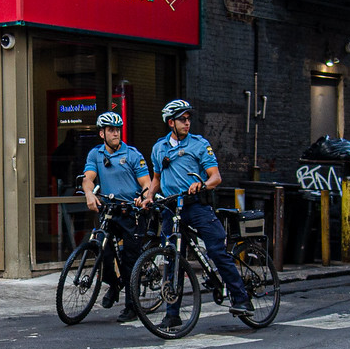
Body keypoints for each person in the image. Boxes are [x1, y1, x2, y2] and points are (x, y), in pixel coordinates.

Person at [143, 99, 254, 329]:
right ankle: (172, 313)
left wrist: (202, 184)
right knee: (172, 258)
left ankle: (242, 298)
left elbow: (216, 177)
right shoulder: (158, 148)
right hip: (171, 209)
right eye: (182, 119)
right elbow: (156, 180)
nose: (187, 123)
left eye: (189, 118)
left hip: (196, 206)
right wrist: (148, 197)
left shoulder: (199, 144)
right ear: (170, 122)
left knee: (216, 249)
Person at [82, 112, 150, 323]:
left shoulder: (132, 154)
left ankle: (132, 306)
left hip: (131, 212)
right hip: (109, 211)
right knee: (103, 254)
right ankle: (114, 284)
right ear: (102, 133)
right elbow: (88, 179)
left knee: (130, 260)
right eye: (111, 130)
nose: (115, 133)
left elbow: (146, 183)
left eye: (117, 129)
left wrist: (144, 197)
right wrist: (89, 193)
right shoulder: (95, 154)